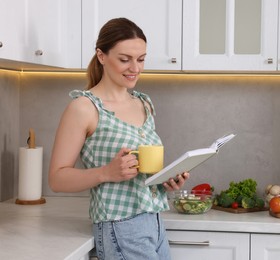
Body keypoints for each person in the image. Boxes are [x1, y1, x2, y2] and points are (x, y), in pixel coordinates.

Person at [49, 17, 189, 260]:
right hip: (120, 226)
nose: (135, 68)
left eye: (141, 59)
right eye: (124, 59)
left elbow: (140, 174)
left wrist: (165, 180)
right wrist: (106, 172)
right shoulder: (84, 108)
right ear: (101, 56)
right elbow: (57, 178)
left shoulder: (143, 103)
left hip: (155, 222)